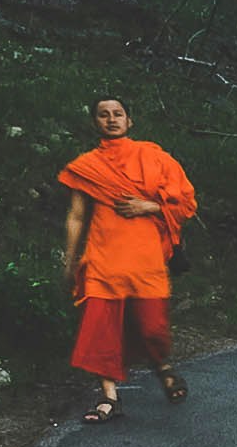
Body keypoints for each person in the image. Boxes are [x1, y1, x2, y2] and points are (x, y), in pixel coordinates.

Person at [56, 94, 197, 424]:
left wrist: (152, 207)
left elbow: (186, 202)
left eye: (118, 113)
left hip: (145, 258)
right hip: (103, 257)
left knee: (153, 328)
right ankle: (108, 397)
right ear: (95, 122)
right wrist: (70, 259)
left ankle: (161, 365)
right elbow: (76, 216)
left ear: (129, 121)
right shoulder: (87, 166)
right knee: (100, 329)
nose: (111, 119)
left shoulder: (154, 157)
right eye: (103, 115)